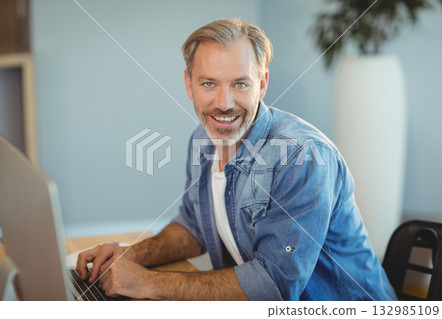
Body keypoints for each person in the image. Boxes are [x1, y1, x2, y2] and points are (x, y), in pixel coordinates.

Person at [76, 18, 397, 301]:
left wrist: (148, 283)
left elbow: (275, 287)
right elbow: (194, 227)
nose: (224, 103)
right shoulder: (204, 139)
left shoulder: (303, 156)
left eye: (240, 84)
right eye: (209, 84)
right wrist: (129, 258)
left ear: (262, 84)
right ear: (189, 84)